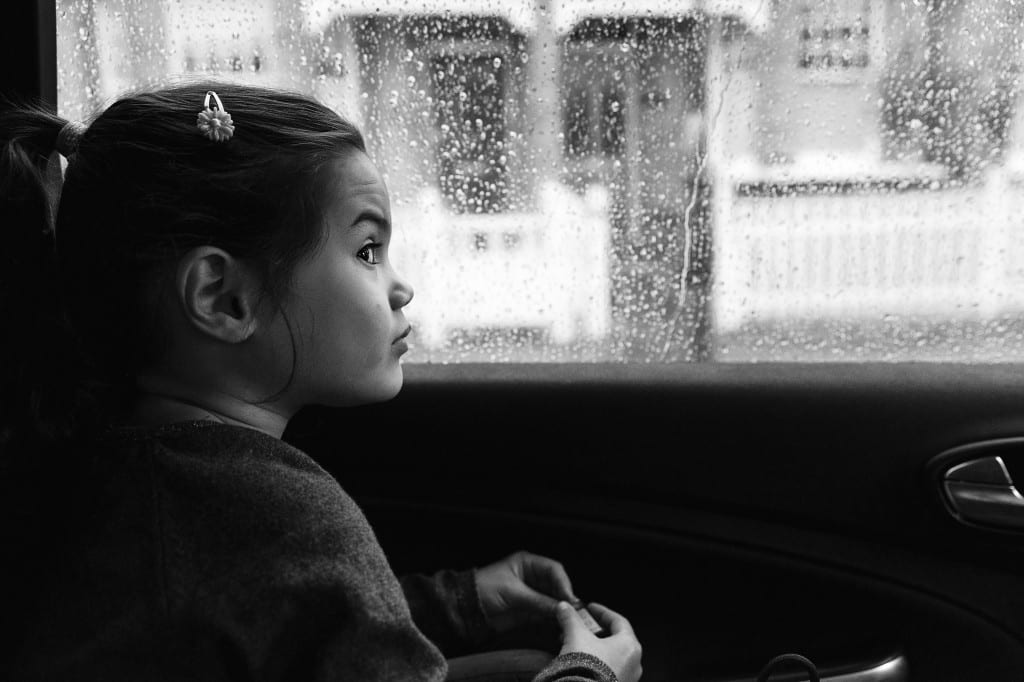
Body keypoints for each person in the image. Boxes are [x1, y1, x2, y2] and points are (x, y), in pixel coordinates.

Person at [0, 83, 643, 682]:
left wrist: (460, 602)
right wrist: (587, 671)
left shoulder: (109, 468)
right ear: (223, 298)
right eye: (367, 251)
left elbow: (279, 620)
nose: (400, 287)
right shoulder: (282, 514)